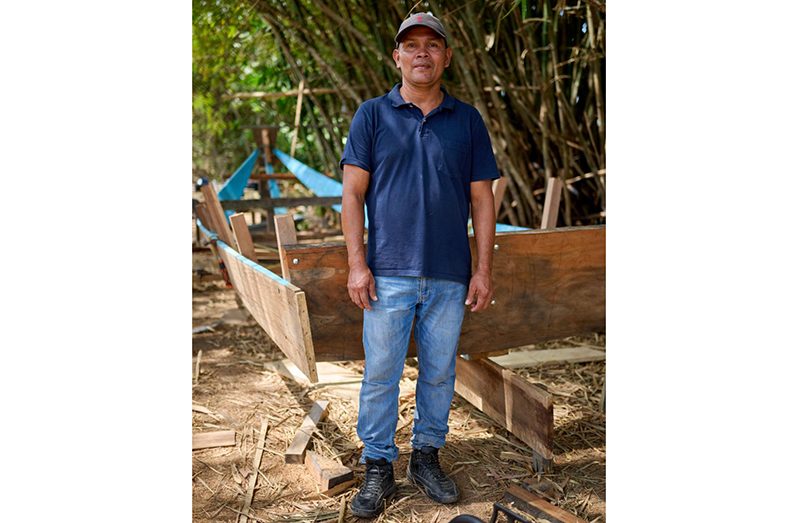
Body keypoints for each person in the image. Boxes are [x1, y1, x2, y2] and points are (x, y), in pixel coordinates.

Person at [339, 12, 500, 518]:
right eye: (412, 46)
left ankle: (426, 456)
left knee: (438, 372)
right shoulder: (371, 115)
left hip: (450, 274)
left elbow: (483, 201)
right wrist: (356, 265)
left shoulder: (467, 120)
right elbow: (352, 195)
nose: (422, 53)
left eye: (432, 45)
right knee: (382, 373)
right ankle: (378, 465)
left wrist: (483, 269)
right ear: (397, 57)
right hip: (387, 273)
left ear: (447, 56)